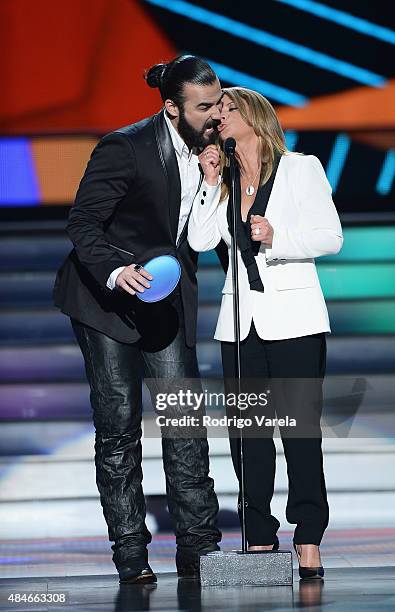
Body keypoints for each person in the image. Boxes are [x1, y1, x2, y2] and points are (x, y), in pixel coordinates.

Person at [53, 55, 225, 583]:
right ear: (172, 108)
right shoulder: (124, 147)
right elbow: (82, 222)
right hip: (106, 304)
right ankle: (130, 551)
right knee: (119, 428)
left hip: (166, 302)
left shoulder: (216, 151)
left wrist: (213, 179)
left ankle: (199, 548)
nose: (216, 112)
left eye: (218, 100)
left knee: (184, 423)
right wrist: (115, 270)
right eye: (204, 106)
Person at [188, 87, 343, 579]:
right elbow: (199, 239)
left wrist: (279, 239)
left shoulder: (301, 168)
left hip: (294, 320)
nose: (221, 118)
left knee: (300, 434)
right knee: (247, 436)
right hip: (241, 325)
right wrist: (211, 183)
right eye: (216, 113)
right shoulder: (224, 177)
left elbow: (330, 236)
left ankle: (309, 536)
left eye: (230, 109)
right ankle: (258, 535)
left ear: (255, 116)